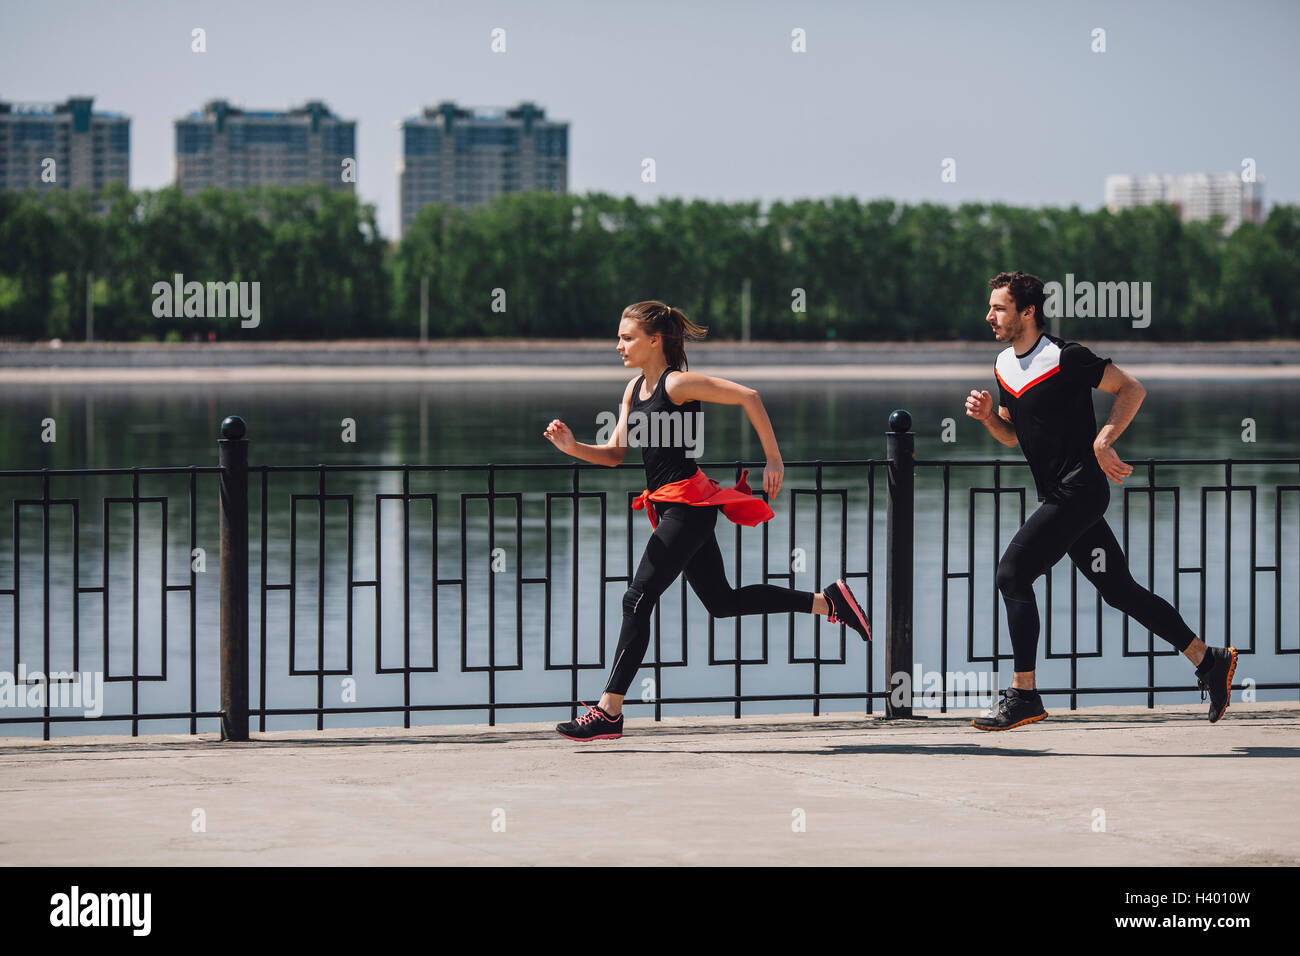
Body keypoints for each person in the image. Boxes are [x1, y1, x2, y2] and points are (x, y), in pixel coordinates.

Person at [543, 300, 870, 740]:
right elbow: (616, 454)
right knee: (722, 603)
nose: (618, 345)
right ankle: (828, 601)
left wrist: (774, 458)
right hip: (674, 509)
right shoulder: (633, 390)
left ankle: (609, 710)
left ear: (654, 340)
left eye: (627, 337)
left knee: (636, 599)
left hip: (688, 508)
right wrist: (572, 447)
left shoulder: (678, 385)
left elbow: (748, 397)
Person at [963, 271, 1237, 730]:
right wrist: (991, 418)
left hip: (1081, 490)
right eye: (991, 307)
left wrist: (1103, 440)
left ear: (1027, 312)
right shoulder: (1003, 366)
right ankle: (1208, 659)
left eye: (999, 308)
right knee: (1119, 590)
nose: (989, 316)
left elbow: (1132, 389)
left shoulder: (1065, 357)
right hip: (1063, 496)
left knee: (1012, 573)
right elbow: (1014, 437)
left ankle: (1024, 695)